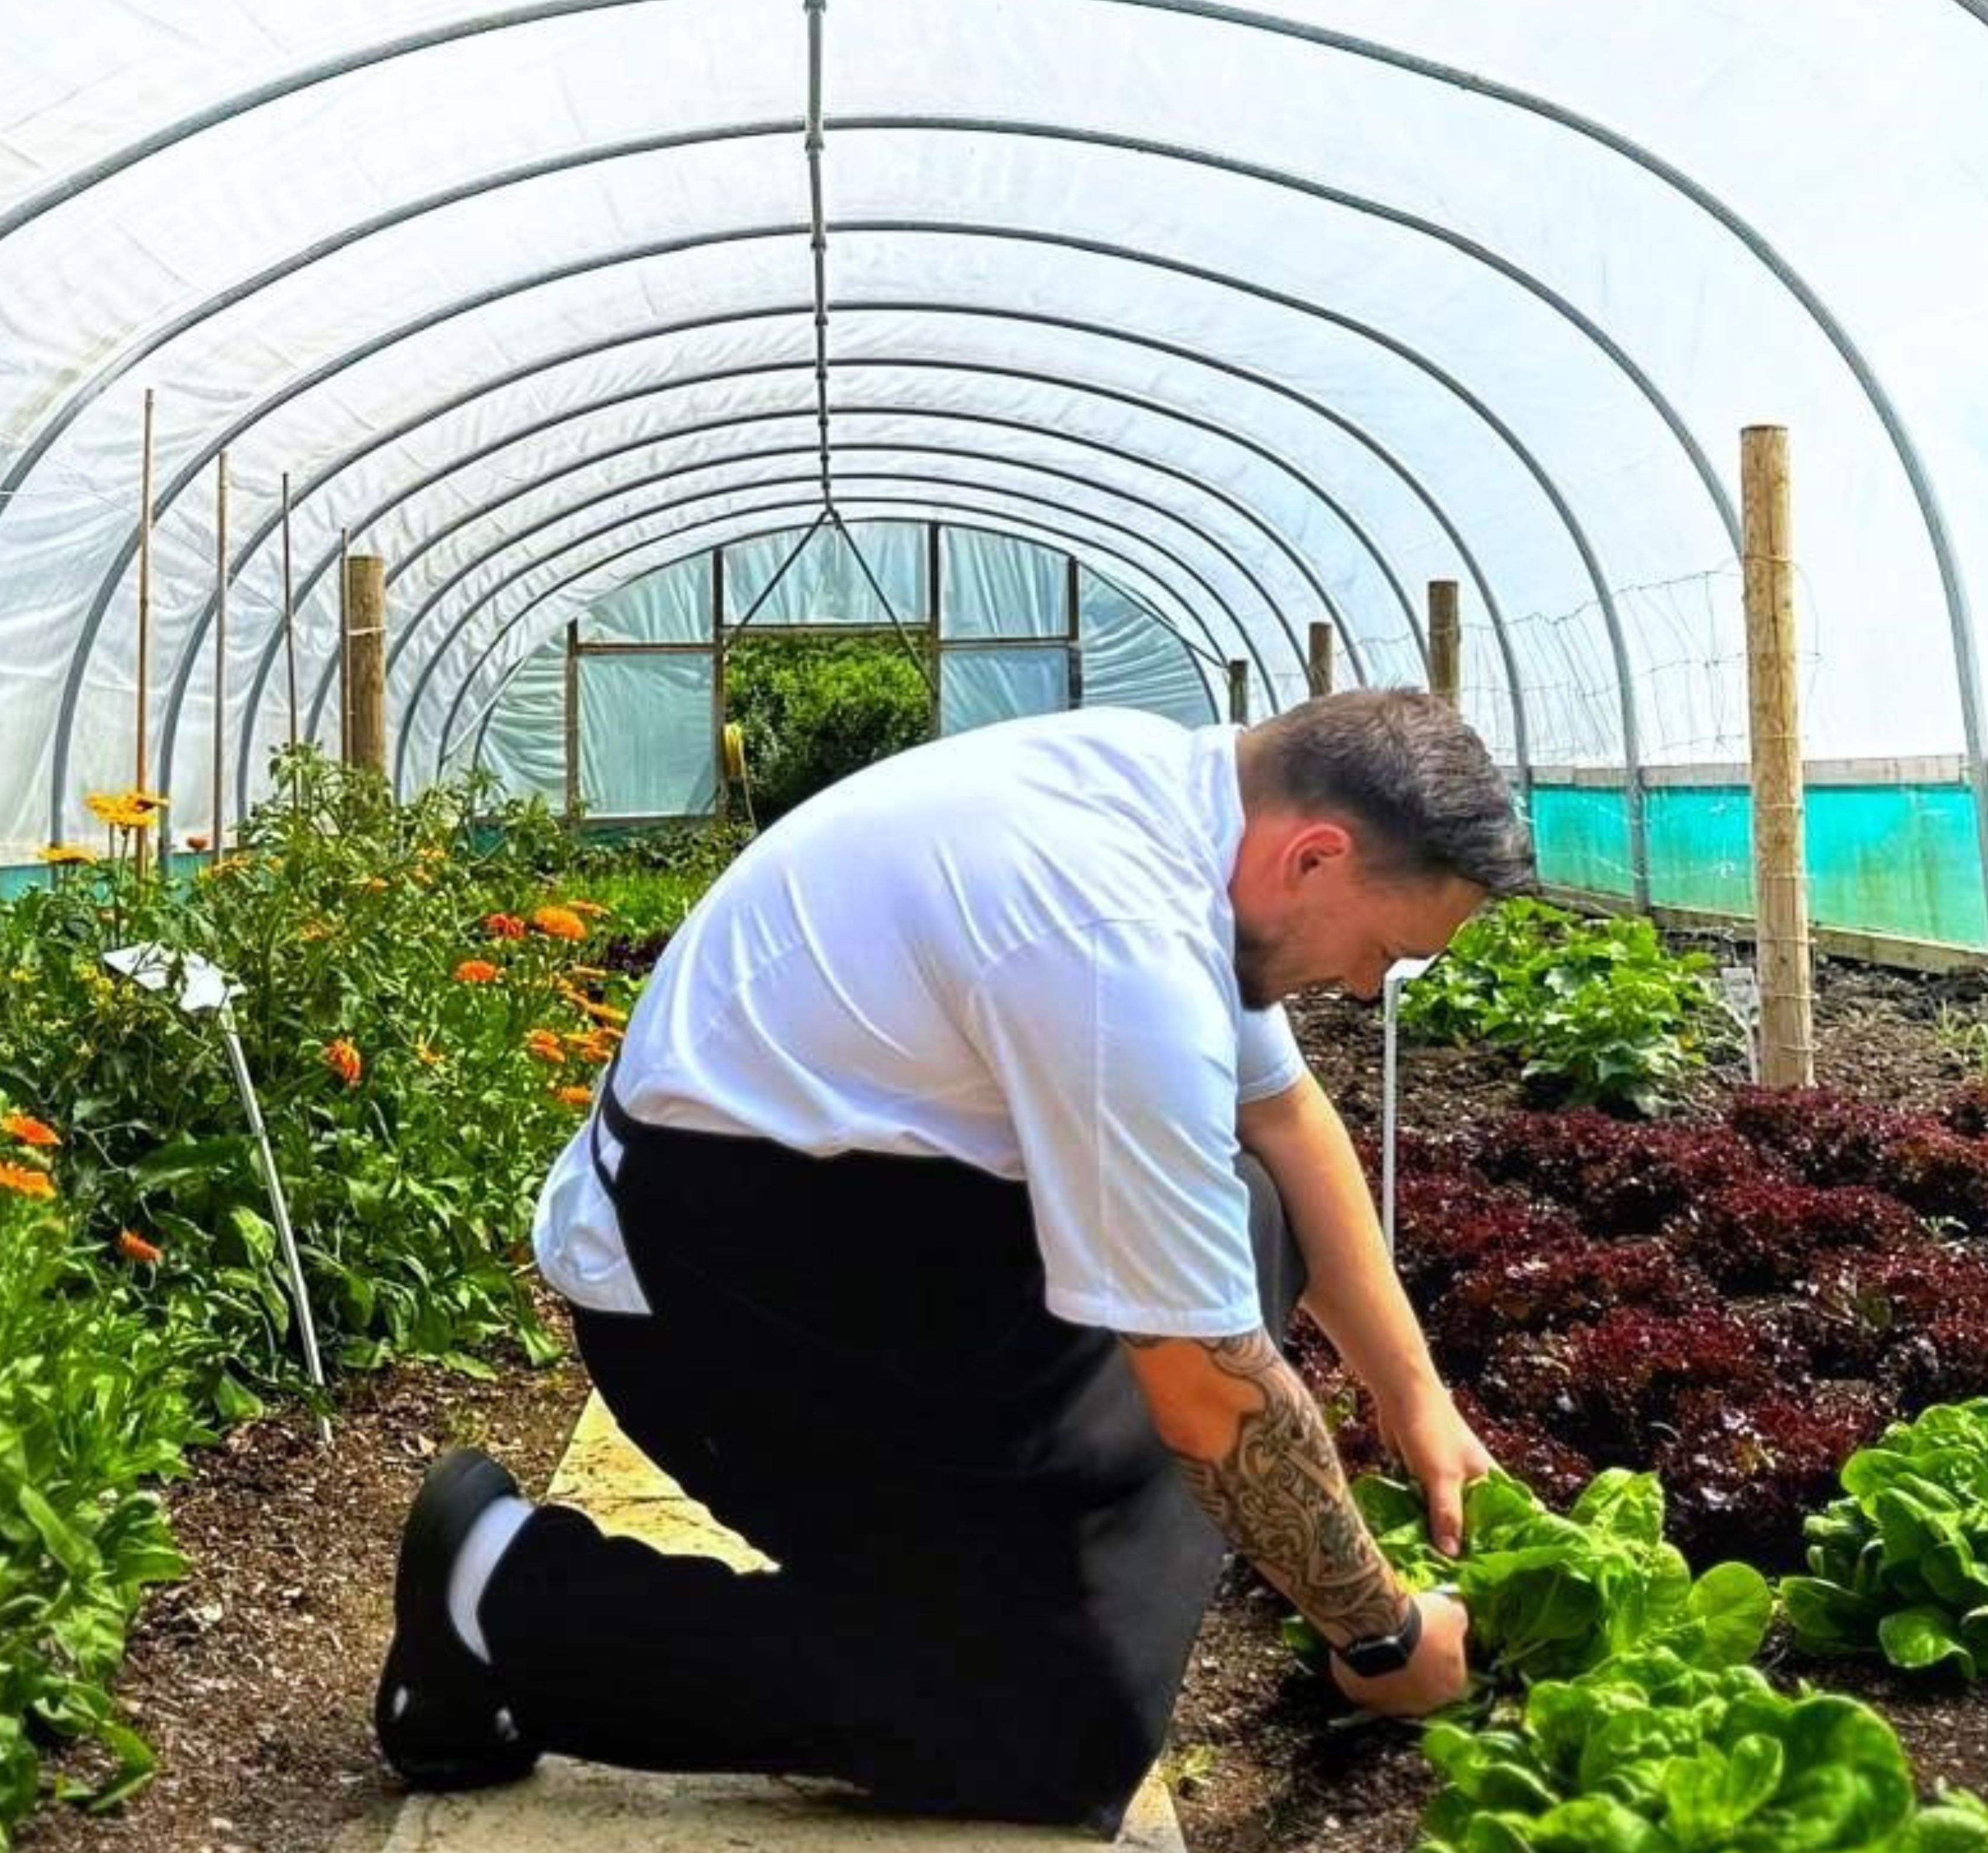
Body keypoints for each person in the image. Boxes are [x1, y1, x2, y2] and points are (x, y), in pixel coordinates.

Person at [369, 690, 1535, 1834]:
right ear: (1318, 857)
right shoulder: (1113, 942)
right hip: (711, 1295)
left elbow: (1283, 1120)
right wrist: (1380, 1637)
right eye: (1387, 950)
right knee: (1048, 1727)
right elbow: (1209, 1395)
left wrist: (1420, 1405)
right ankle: (501, 1600)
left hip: (856, 1229)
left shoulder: (1180, 806)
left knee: (1248, 1215)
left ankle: (1003, 1576)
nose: (1370, 987)